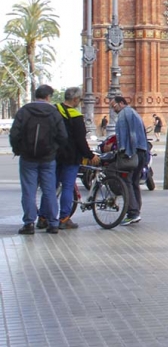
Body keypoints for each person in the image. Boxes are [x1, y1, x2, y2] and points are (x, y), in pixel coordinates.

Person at [9, 85, 69, 235]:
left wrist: (18, 150)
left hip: (28, 158)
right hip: (48, 158)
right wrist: (55, 150)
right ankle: (53, 223)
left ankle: (29, 223)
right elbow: (63, 136)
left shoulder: (24, 111)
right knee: (49, 190)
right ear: (48, 97)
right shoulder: (54, 113)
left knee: (29, 190)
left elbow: (14, 134)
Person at [39, 87, 100, 230]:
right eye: (80, 100)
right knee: (67, 187)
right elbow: (80, 141)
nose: (80, 102)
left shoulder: (54, 110)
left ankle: (42, 217)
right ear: (75, 99)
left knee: (51, 187)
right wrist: (90, 155)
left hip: (54, 155)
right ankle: (64, 218)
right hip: (71, 157)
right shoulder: (76, 116)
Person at [111, 96, 148, 225]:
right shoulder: (135, 113)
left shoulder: (124, 114)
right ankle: (136, 211)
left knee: (126, 181)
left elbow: (127, 136)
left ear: (121, 103)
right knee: (134, 182)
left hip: (133, 152)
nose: (114, 109)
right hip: (142, 151)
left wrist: (125, 152)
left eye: (114, 106)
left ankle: (132, 212)